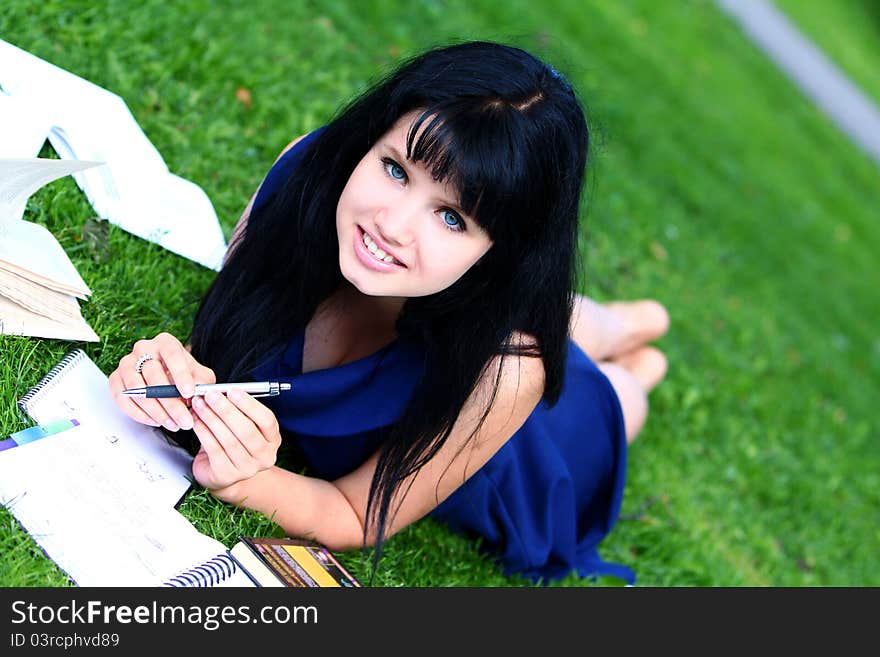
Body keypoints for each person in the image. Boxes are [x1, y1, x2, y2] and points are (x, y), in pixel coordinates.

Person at [108, 40, 669, 584]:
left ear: (501, 254)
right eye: (397, 170)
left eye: (452, 218)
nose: (391, 225)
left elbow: (355, 515)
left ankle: (638, 348)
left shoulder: (508, 372)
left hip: (507, 431)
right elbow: (224, 332)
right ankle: (615, 320)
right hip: (460, 304)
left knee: (619, 391)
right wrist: (167, 369)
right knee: (561, 320)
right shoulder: (307, 173)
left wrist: (245, 481)